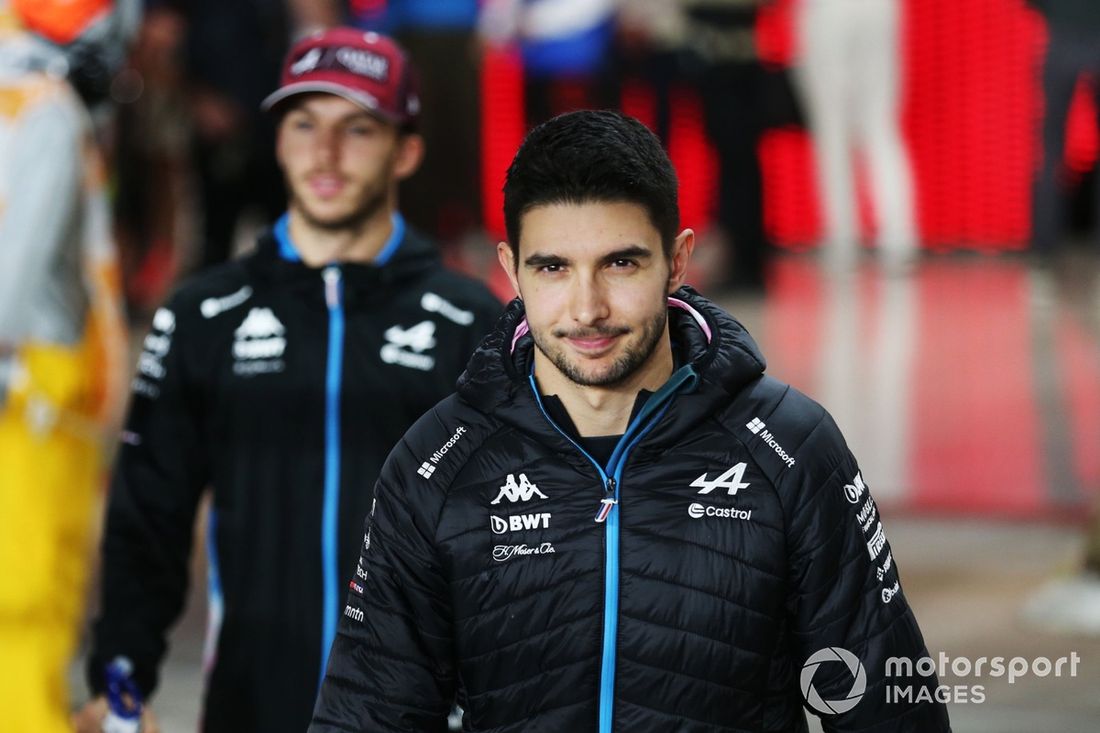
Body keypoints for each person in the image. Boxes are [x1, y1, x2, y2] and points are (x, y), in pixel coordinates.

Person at [310, 110, 951, 731]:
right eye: (553, 268)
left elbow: (888, 708)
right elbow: (367, 712)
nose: (587, 308)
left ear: (677, 260)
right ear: (510, 269)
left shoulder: (790, 446)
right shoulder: (437, 463)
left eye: (620, 263)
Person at [75, 27, 502, 733]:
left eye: (356, 129)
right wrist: (120, 680)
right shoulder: (203, 315)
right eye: (304, 124)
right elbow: (146, 519)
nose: (324, 152)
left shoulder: (472, 322)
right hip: (249, 708)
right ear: (278, 141)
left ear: (406, 150)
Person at [0, 1, 132, 731]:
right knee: (26, 605)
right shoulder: (43, 111)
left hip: (34, 391)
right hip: (30, 397)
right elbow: (8, 291)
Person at [795, 0, 917, 272]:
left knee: (832, 131)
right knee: (880, 126)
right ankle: (897, 239)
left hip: (828, 11)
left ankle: (843, 240)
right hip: (879, 9)